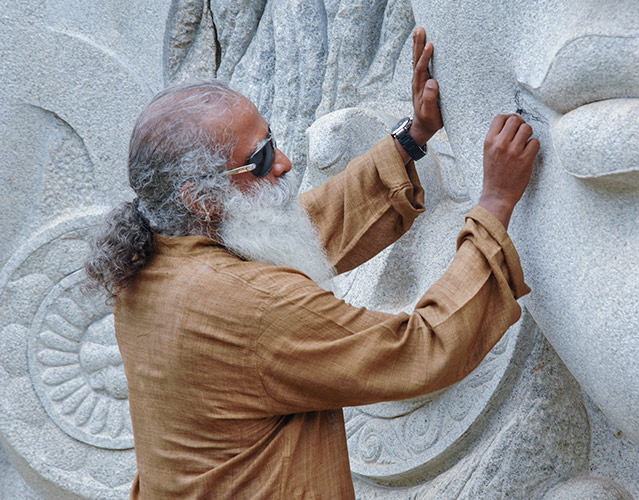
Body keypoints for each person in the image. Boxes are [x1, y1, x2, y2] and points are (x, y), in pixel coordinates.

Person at [85, 27, 540, 499]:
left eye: (271, 141)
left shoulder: (152, 259)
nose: (282, 162)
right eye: (258, 160)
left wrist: (413, 136)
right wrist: (495, 205)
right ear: (201, 198)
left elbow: (305, 229)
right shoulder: (251, 307)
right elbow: (421, 349)